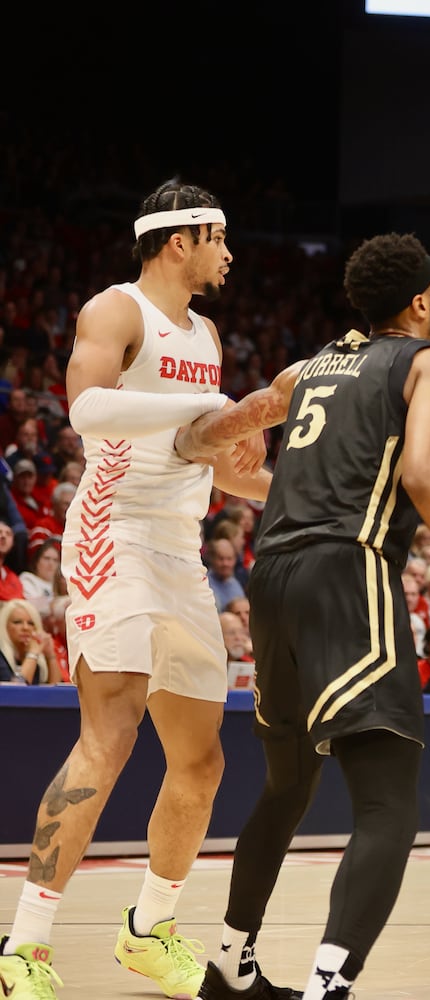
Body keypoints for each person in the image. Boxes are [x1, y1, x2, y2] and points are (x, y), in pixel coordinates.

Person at [175, 233, 430, 1000]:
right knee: (386, 802)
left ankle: (229, 962)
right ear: (419, 301)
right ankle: (328, 988)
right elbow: (421, 473)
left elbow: (209, 435)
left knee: (287, 787)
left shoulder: (307, 369)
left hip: (272, 580)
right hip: (350, 574)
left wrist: (200, 450)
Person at [0, 180, 275, 1000]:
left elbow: (202, 451)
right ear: (177, 239)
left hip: (179, 550)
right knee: (110, 737)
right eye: (218, 236)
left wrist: (295, 483)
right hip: (109, 536)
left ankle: (149, 932)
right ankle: (24, 949)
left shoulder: (210, 335)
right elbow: (85, 408)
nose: (229, 252)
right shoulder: (114, 310)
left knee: (201, 760)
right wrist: (215, 403)